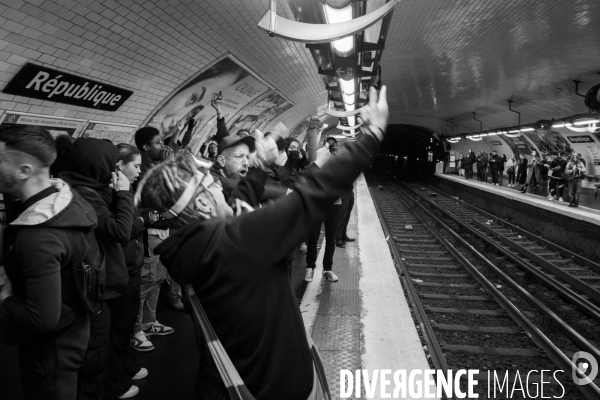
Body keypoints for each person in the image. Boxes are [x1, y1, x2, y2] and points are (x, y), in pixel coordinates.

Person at [137, 85, 389, 400]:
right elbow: (310, 197)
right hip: (282, 387)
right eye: (210, 186)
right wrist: (371, 135)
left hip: (251, 382)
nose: (219, 188)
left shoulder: (194, 248)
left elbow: (238, 208)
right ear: (202, 205)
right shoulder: (233, 242)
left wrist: (256, 167)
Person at [0, 126, 93, 400]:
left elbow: (42, 319)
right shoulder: (63, 201)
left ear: (24, 170)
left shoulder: (37, 236)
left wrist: (5, 297)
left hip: (50, 353)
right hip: (72, 331)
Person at [59, 138, 134, 400]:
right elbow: (120, 231)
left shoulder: (85, 189)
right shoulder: (85, 196)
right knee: (94, 357)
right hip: (94, 291)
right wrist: (124, 193)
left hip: (94, 284)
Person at [103, 144, 153, 399]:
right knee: (118, 325)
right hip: (119, 268)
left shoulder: (128, 190)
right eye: (135, 165)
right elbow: (123, 228)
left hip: (131, 264)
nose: (139, 170)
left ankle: (126, 364)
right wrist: (144, 221)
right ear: (119, 166)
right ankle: (114, 377)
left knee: (126, 322)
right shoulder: (112, 194)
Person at [131, 127, 175, 354]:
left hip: (163, 231)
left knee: (157, 280)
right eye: (159, 142)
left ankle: (149, 321)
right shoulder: (143, 173)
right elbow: (165, 194)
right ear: (146, 147)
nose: (164, 147)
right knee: (146, 280)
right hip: (150, 232)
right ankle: (136, 329)